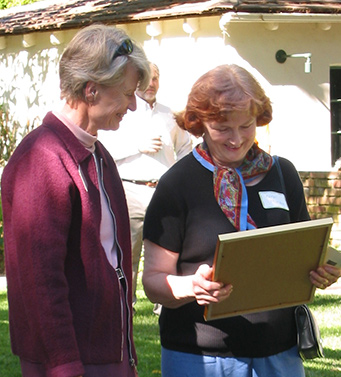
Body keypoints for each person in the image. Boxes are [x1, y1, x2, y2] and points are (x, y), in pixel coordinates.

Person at [142, 64, 341, 377]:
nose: (236, 139)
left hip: (279, 352)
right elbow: (153, 282)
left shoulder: (282, 173)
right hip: (201, 357)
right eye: (222, 128)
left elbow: (301, 250)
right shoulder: (177, 184)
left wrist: (320, 271)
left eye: (247, 126)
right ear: (199, 124)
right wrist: (191, 287)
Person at [1, 24, 150, 377]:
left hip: (105, 356)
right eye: (127, 93)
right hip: (71, 362)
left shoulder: (98, 155)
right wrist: (64, 365)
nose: (132, 105)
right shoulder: (41, 160)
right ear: (92, 90)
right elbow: (39, 280)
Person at [99, 62, 192, 308]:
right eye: (148, 78)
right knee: (128, 250)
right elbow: (105, 150)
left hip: (164, 191)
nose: (152, 83)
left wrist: (179, 174)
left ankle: (165, 302)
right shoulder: (122, 111)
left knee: (169, 248)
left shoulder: (170, 114)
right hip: (130, 190)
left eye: (156, 78)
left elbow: (185, 148)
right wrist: (138, 147)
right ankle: (124, 302)